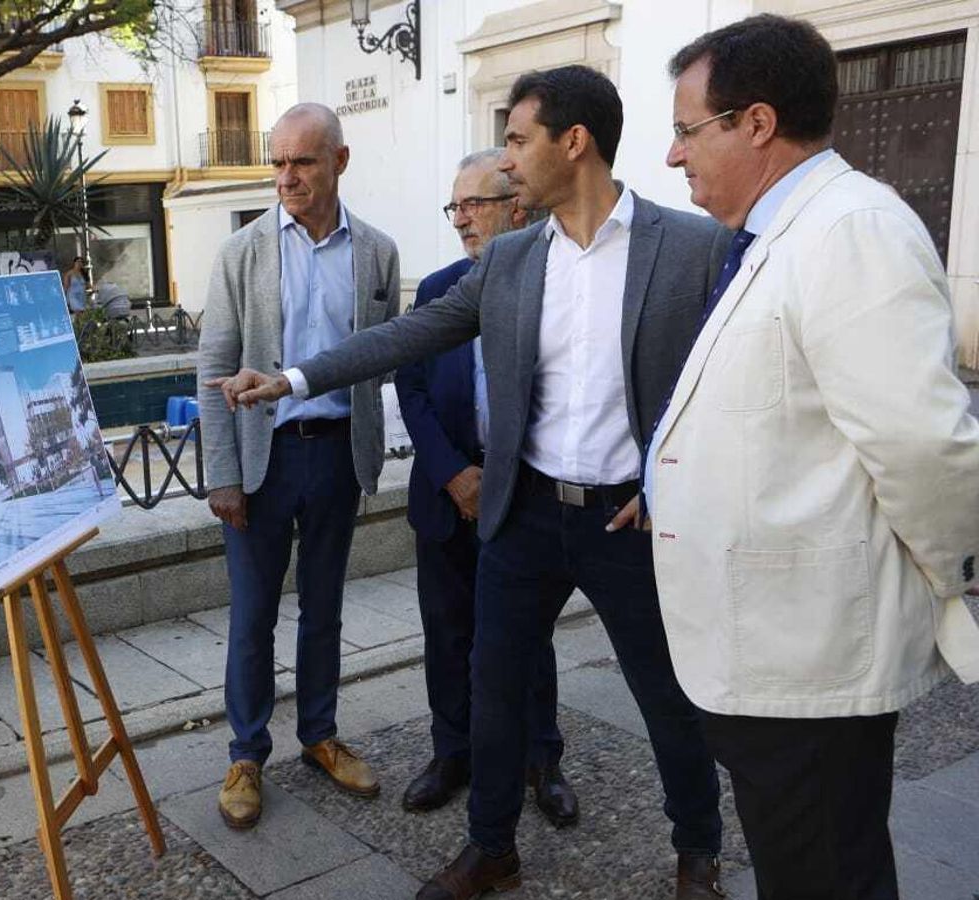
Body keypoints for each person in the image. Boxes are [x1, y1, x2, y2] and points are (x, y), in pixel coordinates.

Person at [206, 67, 728, 899]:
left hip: (625, 518)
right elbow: (409, 335)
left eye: (519, 140)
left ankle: (697, 849)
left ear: (575, 142)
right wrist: (297, 379)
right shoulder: (515, 259)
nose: (509, 160)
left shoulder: (691, 248)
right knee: (492, 682)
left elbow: (728, 382)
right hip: (524, 513)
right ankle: (493, 848)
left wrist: (678, 482)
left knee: (664, 690)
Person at [654, 16, 979, 898]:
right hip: (772, 646)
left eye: (687, 131)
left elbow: (925, 444)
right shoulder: (780, 233)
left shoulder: (851, 230)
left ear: (755, 123)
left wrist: (950, 579)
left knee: (826, 876)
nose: (675, 156)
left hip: (810, 654)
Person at [196, 102, 400, 831]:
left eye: (302, 161)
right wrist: (222, 473)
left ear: (339, 162)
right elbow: (214, 368)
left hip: (338, 456)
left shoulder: (377, 252)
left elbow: (381, 357)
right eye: (277, 161)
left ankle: (318, 734)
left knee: (325, 609)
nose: (286, 176)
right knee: (252, 617)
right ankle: (247, 753)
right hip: (264, 459)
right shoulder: (241, 252)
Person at [397, 149, 575, 829]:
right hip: (444, 493)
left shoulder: (549, 281)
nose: (460, 219)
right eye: (455, 206)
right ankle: (454, 754)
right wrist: (450, 472)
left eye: (474, 205)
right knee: (447, 632)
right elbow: (409, 388)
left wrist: (497, 476)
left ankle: (542, 759)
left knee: (527, 637)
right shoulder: (437, 288)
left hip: (522, 495)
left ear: (516, 208)